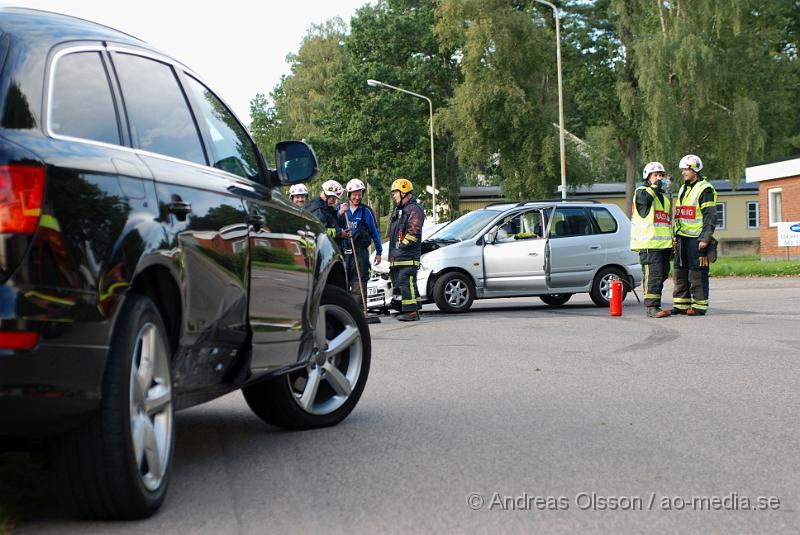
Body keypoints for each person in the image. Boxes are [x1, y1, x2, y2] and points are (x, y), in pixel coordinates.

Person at [672, 154, 717, 316]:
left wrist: (705, 238)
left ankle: (700, 305)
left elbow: (710, 216)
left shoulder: (705, 189)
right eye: (683, 169)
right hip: (682, 238)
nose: (683, 172)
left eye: (686, 169)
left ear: (695, 169)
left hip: (696, 239)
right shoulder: (684, 188)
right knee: (680, 271)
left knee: (697, 272)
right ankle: (681, 304)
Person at [630, 161, 673, 318]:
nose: (659, 178)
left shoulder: (664, 198)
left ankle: (657, 304)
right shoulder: (641, 192)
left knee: (662, 275)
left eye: (661, 175)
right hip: (648, 243)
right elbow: (646, 200)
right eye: (655, 175)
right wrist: (655, 186)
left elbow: (665, 222)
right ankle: (651, 307)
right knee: (652, 276)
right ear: (647, 177)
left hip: (663, 245)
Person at [339, 179, 383, 307]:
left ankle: (358, 312)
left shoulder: (366, 211)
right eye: (354, 194)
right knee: (343, 283)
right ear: (349, 194)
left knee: (359, 282)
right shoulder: (341, 209)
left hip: (360, 253)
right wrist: (340, 214)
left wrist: (379, 252)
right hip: (344, 252)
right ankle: (344, 312)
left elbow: (375, 232)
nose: (357, 197)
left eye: (360, 194)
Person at [388, 178, 425, 322]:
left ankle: (411, 312)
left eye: (396, 193)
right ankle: (414, 307)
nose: (394, 196)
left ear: (403, 192)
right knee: (407, 282)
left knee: (406, 281)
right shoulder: (401, 210)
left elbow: (413, 232)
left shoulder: (414, 209)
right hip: (400, 255)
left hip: (407, 255)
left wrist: (401, 246)